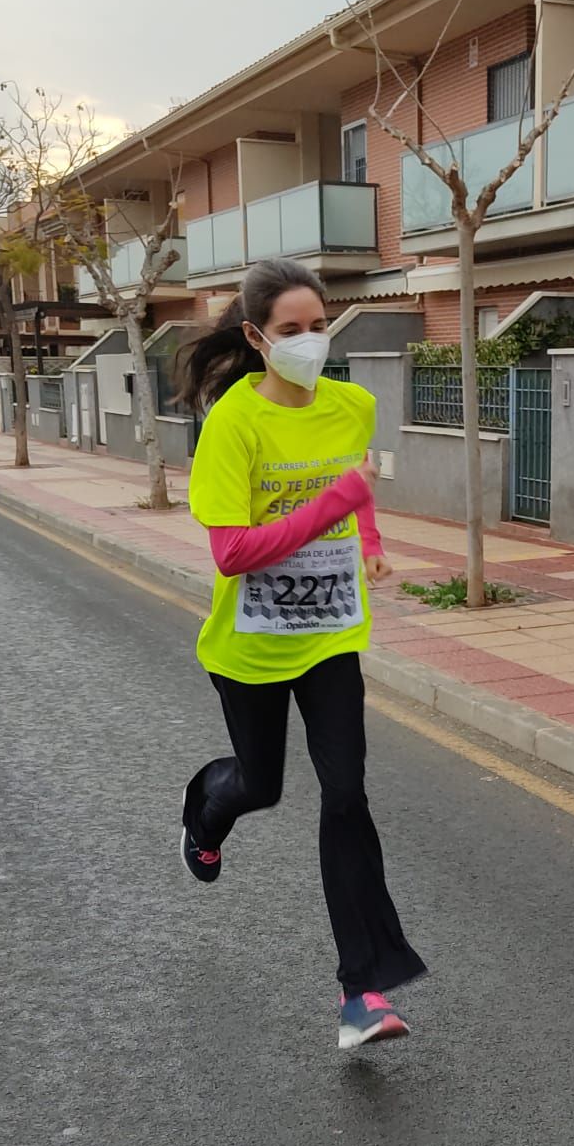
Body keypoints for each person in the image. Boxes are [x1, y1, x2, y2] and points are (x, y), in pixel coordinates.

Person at [177, 258, 427, 1049]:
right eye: (292, 331)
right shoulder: (233, 426)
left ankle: (363, 994)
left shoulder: (352, 406)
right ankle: (206, 810)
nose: (311, 342)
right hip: (248, 648)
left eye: (320, 327)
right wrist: (334, 506)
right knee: (262, 784)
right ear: (255, 337)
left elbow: (357, 490)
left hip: (329, 637)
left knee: (345, 795)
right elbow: (233, 553)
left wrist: (373, 541)